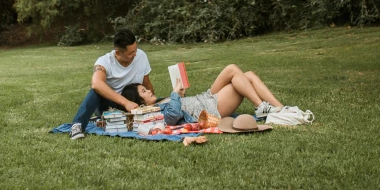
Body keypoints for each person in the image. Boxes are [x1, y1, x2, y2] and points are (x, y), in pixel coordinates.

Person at [121, 64, 283, 125]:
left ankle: (281, 108)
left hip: (205, 97)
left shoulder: (159, 103)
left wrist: (180, 95)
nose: (149, 90)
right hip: (211, 108)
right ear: (141, 104)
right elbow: (173, 116)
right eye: (144, 91)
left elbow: (181, 107)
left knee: (248, 75)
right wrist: (175, 94)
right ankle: (261, 107)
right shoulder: (155, 114)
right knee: (235, 71)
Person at [70, 28, 153, 140]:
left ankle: (102, 119)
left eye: (135, 50)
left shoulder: (141, 56)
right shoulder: (104, 62)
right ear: (118, 52)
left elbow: (146, 83)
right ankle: (77, 125)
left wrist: (152, 105)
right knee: (96, 91)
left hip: (134, 106)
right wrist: (126, 103)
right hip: (111, 106)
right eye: (130, 53)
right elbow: (96, 84)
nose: (135, 54)